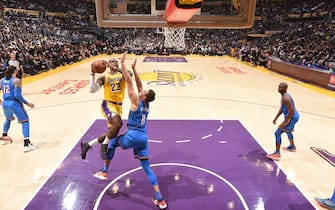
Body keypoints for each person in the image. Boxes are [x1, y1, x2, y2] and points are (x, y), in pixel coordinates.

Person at [94, 52, 167, 209]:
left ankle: (104, 171)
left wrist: (123, 65)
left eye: (144, 92)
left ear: (143, 97)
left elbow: (129, 81)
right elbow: (139, 85)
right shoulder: (147, 104)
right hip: (143, 138)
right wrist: (136, 69)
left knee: (112, 141)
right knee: (147, 168)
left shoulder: (135, 100)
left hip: (132, 136)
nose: (142, 90)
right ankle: (160, 199)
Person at [80, 58, 127, 160]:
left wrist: (115, 68)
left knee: (112, 133)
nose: (113, 62)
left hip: (118, 107)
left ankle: (88, 145)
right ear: (107, 65)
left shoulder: (122, 75)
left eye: (115, 61)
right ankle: (104, 146)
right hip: (107, 104)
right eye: (111, 61)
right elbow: (92, 90)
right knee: (118, 124)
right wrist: (92, 73)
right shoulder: (104, 77)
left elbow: (130, 74)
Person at [0, 66, 37, 152]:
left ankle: (4, 138)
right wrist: (28, 103)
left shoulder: (1, 80)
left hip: (5, 103)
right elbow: (17, 95)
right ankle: (26, 144)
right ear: (15, 71)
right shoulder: (16, 80)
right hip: (14, 103)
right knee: (25, 121)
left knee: (8, 119)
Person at [266, 82, 299, 161]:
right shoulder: (283, 96)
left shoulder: (286, 98)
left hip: (292, 118)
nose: (279, 88)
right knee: (288, 131)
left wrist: (284, 123)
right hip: (293, 117)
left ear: (285, 88)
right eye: (278, 87)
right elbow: (282, 108)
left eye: (281, 87)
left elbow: (291, 112)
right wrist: (276, 117)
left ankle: (277, 153)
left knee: (277, 133)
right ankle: (292, 147)